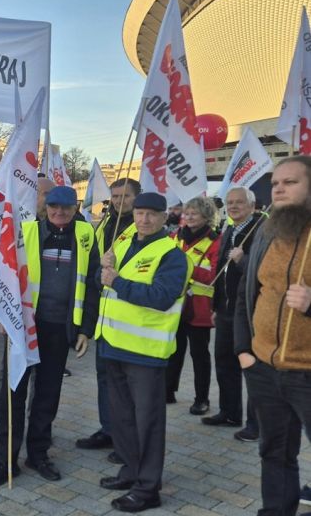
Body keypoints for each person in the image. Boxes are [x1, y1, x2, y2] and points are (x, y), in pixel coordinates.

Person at [0, 185, 99, 486]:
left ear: (75, 209)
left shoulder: (86, 237)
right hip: (24, 328)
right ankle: (4, 459)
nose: (59, 213)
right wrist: (5, 316)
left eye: (66, 208)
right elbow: (4, 272)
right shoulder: (27, 232)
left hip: (60, 330)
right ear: (44, 208)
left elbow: (94, 285)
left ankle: (37, 453)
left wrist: (86, 329)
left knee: (47, 396)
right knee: (12, 395)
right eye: (53, 207)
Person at [95, 192, 191, 513]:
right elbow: (105, 282)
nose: (144, 219)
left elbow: (161, 296)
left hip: (145, 352)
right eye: (139, 213)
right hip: (113, 344)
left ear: (165, 217)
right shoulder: (123, 243)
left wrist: (116, 280)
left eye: (152, 214)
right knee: (122, 418)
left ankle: (149, 487)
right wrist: (103, 270)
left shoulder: (172, 254)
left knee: (147, 422)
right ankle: (131, 471)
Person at [235, 156, 311, 516]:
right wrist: (243, 351)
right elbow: (245, 294)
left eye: (291, 182)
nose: (279, 188)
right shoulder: (267, 232)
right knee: (275, 451)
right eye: (276, 182)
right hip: (264, 367)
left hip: (308, 373)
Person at [77, 178, 141, 453]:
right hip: (105, 314)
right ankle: (109, 430)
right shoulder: (104, 224)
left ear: (137, 198)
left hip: (131, 317)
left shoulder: (143, 228)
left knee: (128, 384)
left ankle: (127, 440)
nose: (119, 201)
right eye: (115, 196)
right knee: (105, 376)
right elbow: (95, 265)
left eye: (125, 196)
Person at [205, 187, 261, 441]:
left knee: (251, 367)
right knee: (225, 361)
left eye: (239, 202)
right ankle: (229, 412)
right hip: (227, 310)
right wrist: (216, 307)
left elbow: (264, 269)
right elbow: (220, 272)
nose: (233, 206)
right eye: (230, 203)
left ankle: (256, 424)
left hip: (252, 311)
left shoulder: (262, 230)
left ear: (252, 205)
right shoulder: (229, 229)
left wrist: (243, 258)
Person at [166, 196, 221, 413]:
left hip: (199, 307)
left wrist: (184, 266)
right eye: (186, 213)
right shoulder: (174, 237)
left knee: (199, 356)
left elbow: (214, 274)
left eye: (194, 213)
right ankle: (168, 390)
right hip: (174, 305)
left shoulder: (216, 241)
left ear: (206, 216)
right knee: (172, 351)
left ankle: (202, 399)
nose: (188, 217)